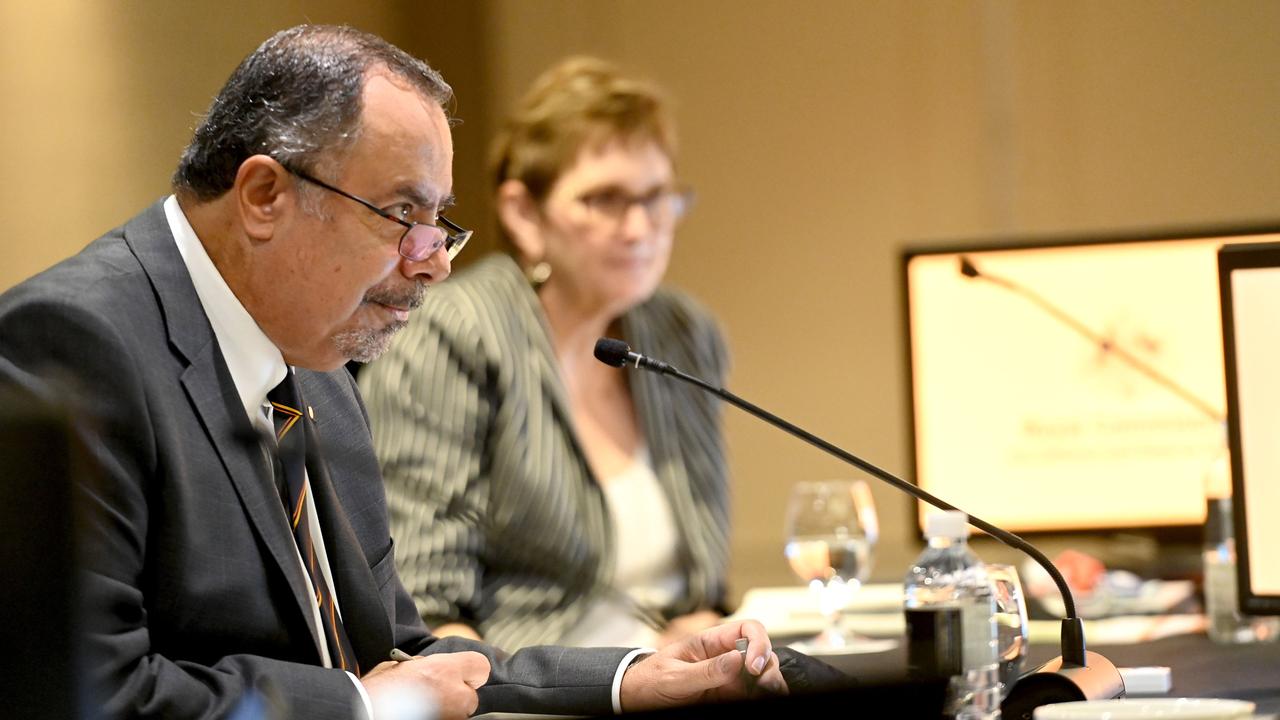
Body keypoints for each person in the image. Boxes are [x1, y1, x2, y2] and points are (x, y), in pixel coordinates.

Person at [0, 26, 786, 720]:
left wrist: (629, 680)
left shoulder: (318, 352)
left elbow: (411, 657)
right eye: (405, 217)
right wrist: (356, 706)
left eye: (441, 223)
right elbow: (89, 691)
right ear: (265, 195)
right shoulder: (69, 346)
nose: (435, 263)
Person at [358, 56, 730, 651]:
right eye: (605, 199)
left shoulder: (682, 332)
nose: (639, 229)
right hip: (528, 699)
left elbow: (702, 589)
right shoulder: (455, 336)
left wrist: (703, 638)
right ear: (524, 215)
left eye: (656, 197)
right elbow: (426, 614)